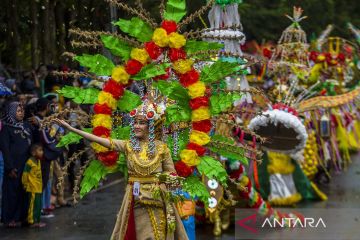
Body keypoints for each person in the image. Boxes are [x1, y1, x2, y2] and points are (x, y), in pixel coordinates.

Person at [53, 101, 188, 240]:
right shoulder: (128, 146)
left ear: (151, 126)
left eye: (141, 123)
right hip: (135, 199)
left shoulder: (162, 148)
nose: (136, 126)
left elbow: (171, 174)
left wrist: (164, 183)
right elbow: (101, 141)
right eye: (134, 122)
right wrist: (73, 129)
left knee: (157, 235)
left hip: (157, 200)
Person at [0, 102, 32, 227]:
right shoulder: (7, 129)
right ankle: (9, 219)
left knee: (23, 192)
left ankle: (21, 217)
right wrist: (10, 167)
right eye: (18, 111)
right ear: (12, 112)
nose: (21, 113)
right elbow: (5, 149)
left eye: (22, 110)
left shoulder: (26, 126)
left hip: (26, 166)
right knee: (12, 193)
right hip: (14, 167)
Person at [22, 144, 46, 227]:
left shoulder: (38, 161)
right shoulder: (30, 162)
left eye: (42, 150)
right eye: (40, 150)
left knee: (38, 205)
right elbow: (25, 174)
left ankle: (37, 221)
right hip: (32, 188)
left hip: (38, 187)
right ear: (33, 153)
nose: (42, 152)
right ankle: (31, 221)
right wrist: (25, 184)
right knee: (32, 205)